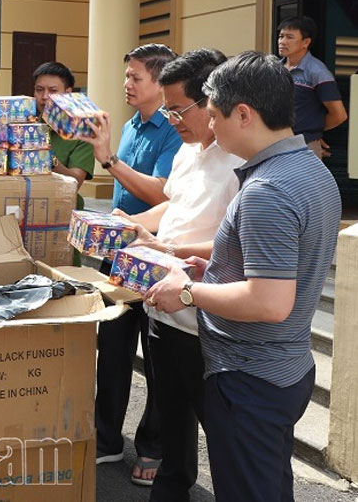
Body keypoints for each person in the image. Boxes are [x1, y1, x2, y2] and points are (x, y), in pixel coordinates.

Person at [146, 51, 341, 502]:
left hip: (249, 376)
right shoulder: (311, 170)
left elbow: (269, 302)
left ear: (244, 114)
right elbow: (279, 266)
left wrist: (189, 292)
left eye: (214, 115)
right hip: (284, 367)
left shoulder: (266, 190)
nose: (211, 127)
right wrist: (213, 270)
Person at [120, 49, 242, 501]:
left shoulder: (240, 163)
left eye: (177, 109)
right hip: (161, 307)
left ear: (210, 101)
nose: (171, 120)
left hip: (202, 317)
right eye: (167, 109)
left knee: (222, 430)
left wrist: (169, 249)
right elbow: (173, 206)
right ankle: (171, 486)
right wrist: (134, 225)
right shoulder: (188, 152)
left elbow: (235, 245)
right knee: (170, 419)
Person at [77, 42, 181, 485]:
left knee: (156, 355)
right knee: (113, 346)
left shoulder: (174, 129)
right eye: (126, 76)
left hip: (156, 254)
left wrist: (109, 160)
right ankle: (107, 438)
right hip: (119, 253)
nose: (127, 84)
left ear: (160, 82)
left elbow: (162, 193)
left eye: (136, 77)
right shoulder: (130, 125)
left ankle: (153, 446)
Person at [277, 15, 346, 158]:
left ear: (306, 42)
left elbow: (339, 115)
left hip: (303, 148)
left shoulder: (318, 72)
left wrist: (313, 133)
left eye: (289, 37)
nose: (282, 41)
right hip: (274, 144)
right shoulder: (274, 69)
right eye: (281, 36)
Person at [32, 61, 95, 204]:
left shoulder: (82, 133)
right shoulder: (25, 125)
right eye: (39, 89)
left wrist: (49, 159)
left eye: (53, 91)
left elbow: (74, 182)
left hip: (61, 208)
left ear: (67, 93)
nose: (44, 96)